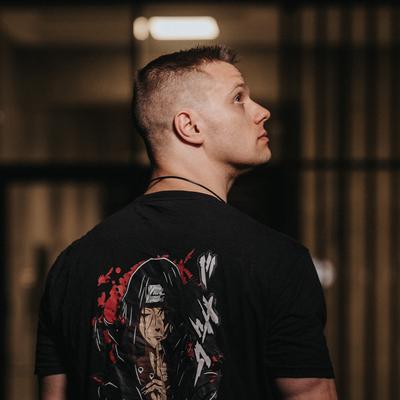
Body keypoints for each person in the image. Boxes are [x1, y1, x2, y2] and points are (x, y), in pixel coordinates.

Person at [35, 44, 337, 399]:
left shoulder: (71, 266)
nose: (262, 111)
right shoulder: (279, 260)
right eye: (238, 98)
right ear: (190, 126)